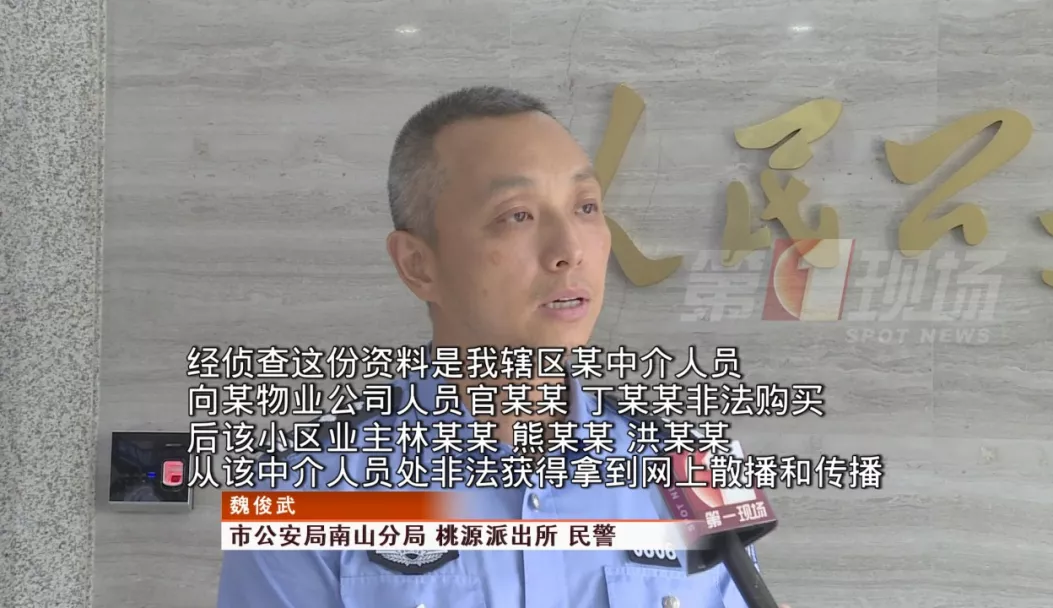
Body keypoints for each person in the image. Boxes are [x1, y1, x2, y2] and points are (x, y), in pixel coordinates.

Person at [218, 86, 791, 608]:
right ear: (419, 265)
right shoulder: (305, 488)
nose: (570, 250)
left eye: (586, 207)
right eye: (517, 215)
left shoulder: (691, 469)